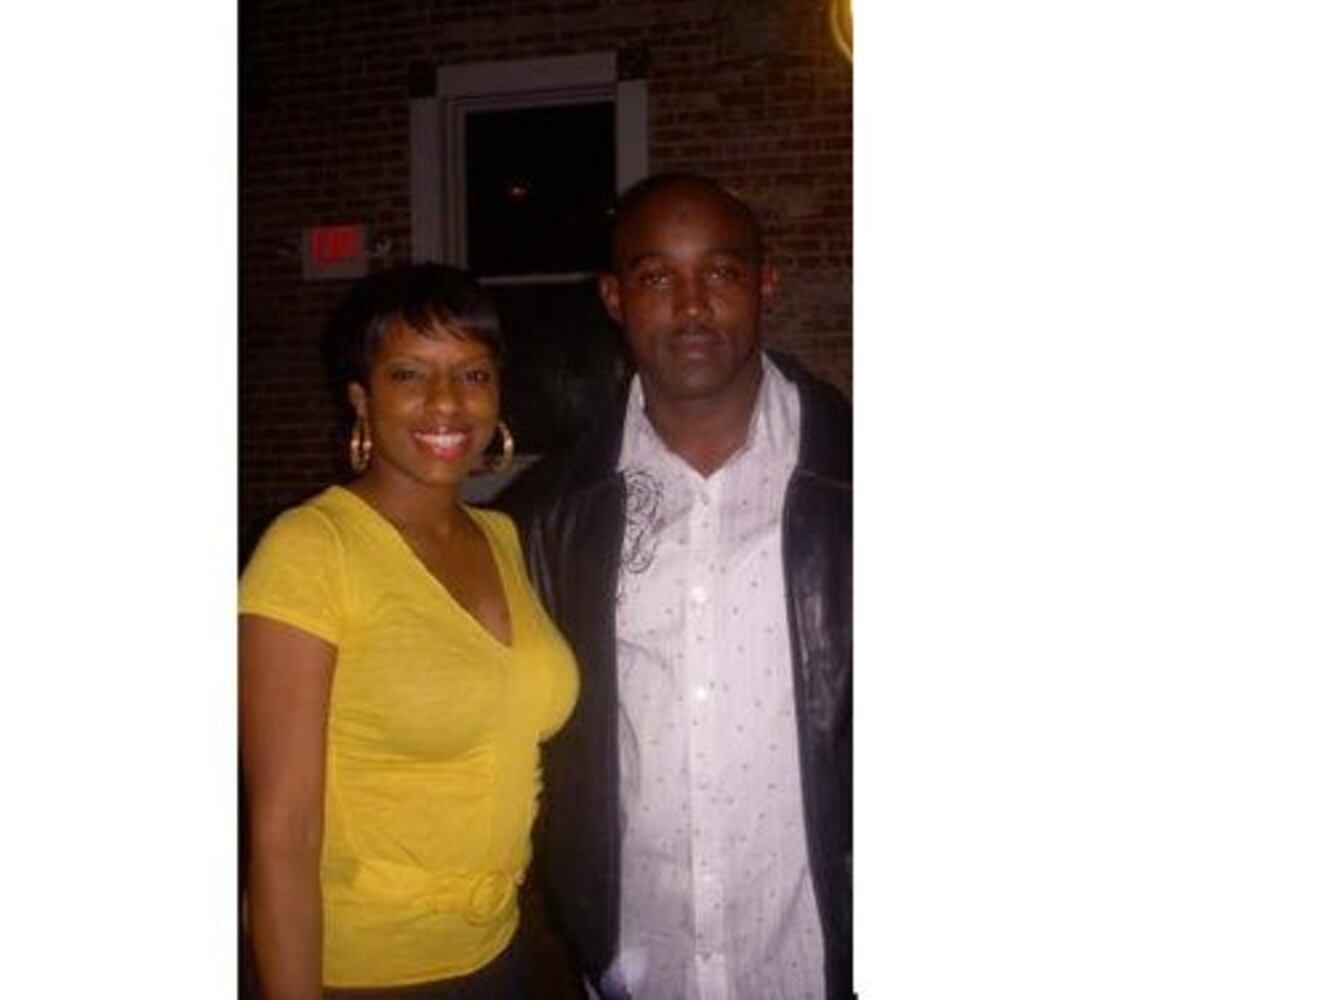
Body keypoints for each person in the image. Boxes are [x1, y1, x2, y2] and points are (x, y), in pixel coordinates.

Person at [499, 174, 852, 999]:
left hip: (821, 959)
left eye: (720, 272)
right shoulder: (547, 516)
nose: (691, 306)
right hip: (636, 964)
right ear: (613, 297)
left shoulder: (856, 482)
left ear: (764, 285)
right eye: (657, 276)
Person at [239, 264, 579, 999]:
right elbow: (282, 836)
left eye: (472, 374)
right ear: (361, 399)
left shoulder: (502, 537)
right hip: (367, 972)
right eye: (408, 374)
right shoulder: (313, 549)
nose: (446, 401)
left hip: (501, 950)